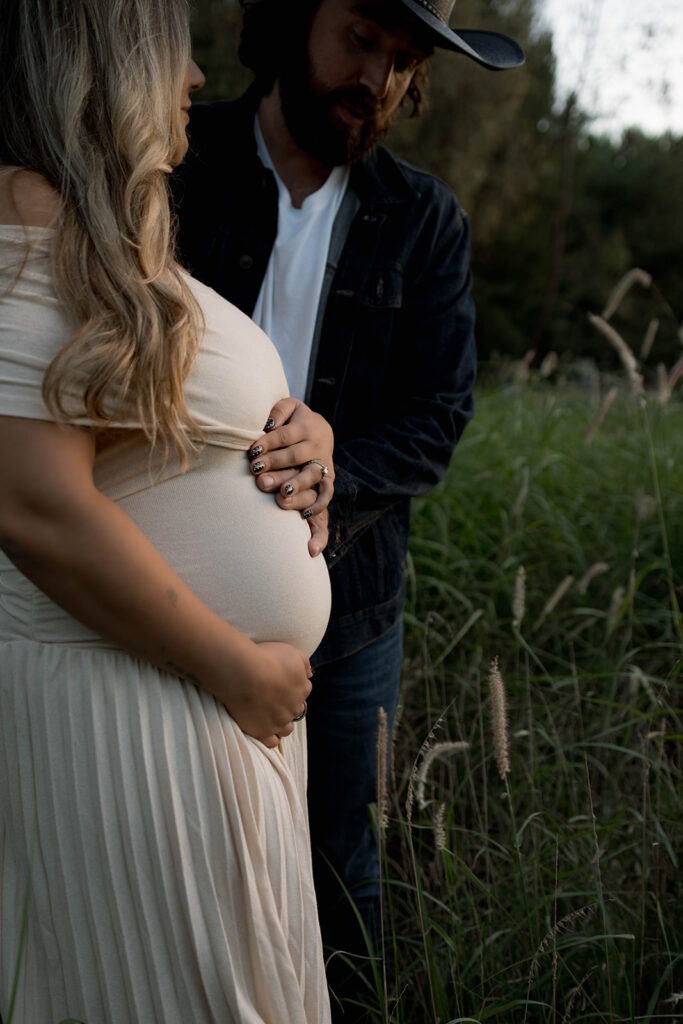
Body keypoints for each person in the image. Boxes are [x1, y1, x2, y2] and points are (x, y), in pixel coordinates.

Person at [173, 0, 524, 1014]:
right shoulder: (172, 158)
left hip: (353, 609)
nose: (377, 80)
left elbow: (436, 416)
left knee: (338, 863)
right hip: (166, 584)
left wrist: (339, 459)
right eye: (360, 39)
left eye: (403, 61)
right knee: (182, 840)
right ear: (294, 15)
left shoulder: (424, 220)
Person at [0, 1, 337, 1021]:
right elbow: (31, 501)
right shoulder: (25, 209)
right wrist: (235, 666)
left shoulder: (92, 229)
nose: (193, 77)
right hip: (135, 715)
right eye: (172, 49)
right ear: (109, 59)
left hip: (192, 707)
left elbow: (154, 432)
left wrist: (306, 437)